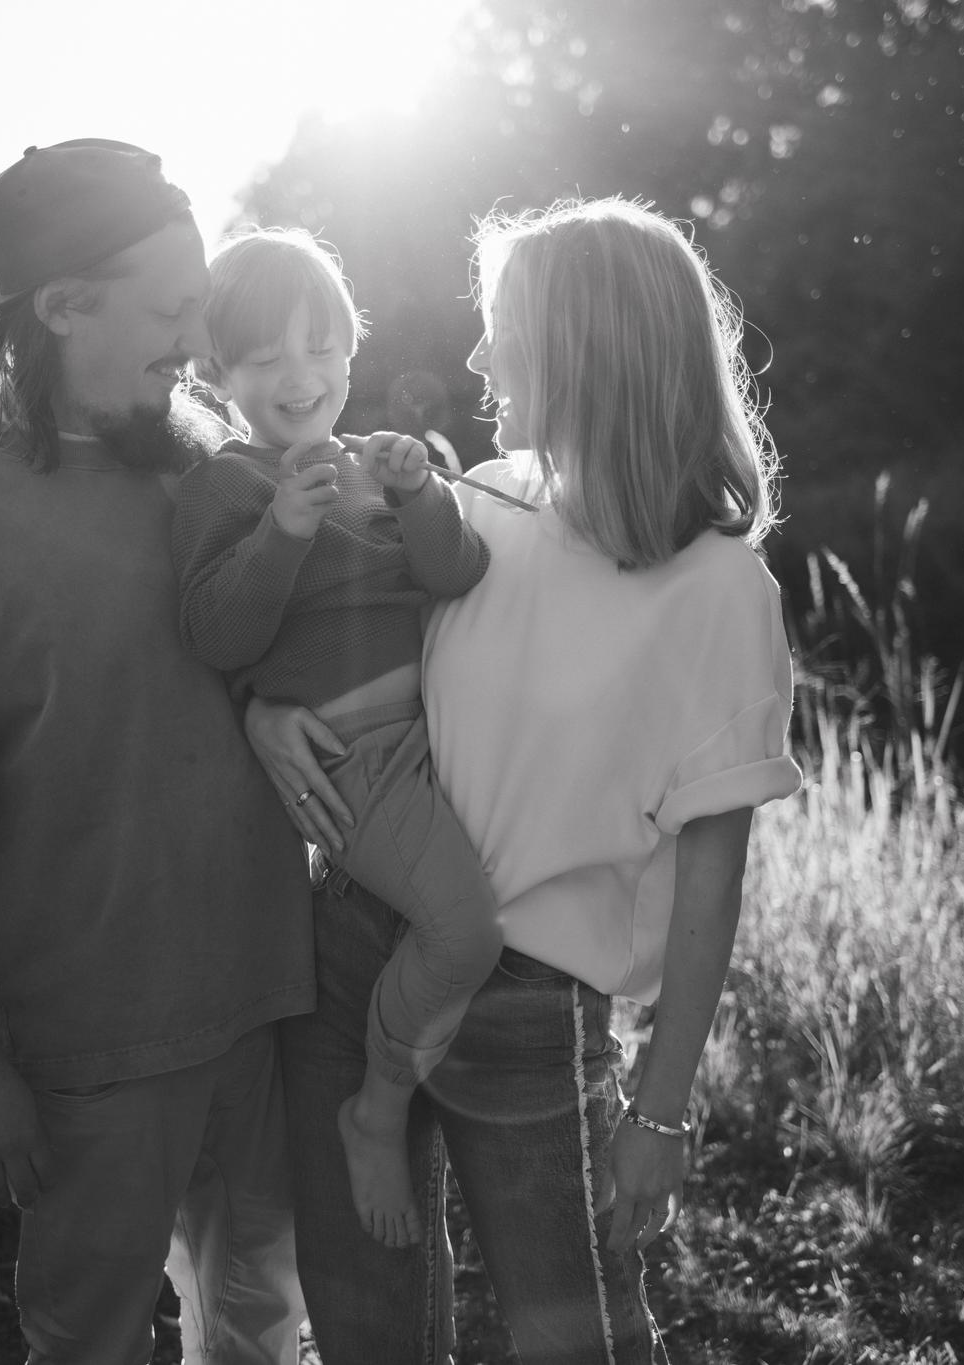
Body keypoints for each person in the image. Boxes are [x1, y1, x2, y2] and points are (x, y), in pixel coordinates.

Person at [248, 198, 803, 1364]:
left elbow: (711, 884)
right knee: (363, 1324)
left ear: (582, 344)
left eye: (498, 326)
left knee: (575, 1338)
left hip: (525, 1008)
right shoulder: (478, 503)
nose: (474, 355)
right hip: (352, 949)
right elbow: (335, 644)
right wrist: (264, 716)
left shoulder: (715, 589)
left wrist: (658, 1107)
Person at [0, 139, 312, 1365]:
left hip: (271, 1006)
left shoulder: (213, 476)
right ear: (63, 305)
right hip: (90, 1047)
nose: (196, 341)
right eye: (168, 308)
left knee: (263, 1323)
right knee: (90, 1341)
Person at [171, 228, 497, 1250]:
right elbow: (215, 632)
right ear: (214, 374)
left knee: (482, 917)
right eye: (262, 358)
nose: (296, 375)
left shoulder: (373, 465)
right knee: (464, 930)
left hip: (438, 739)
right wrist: (281, 534)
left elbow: (455, 575)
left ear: (350, 354)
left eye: (317, 348)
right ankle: (378, 1106)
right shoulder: (224, 487)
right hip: (351, 763)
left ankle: (435, 1088)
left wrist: (422, 493)